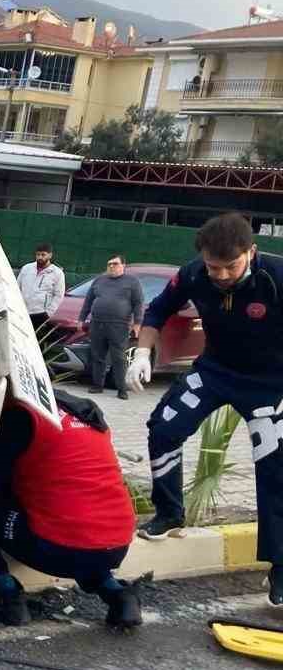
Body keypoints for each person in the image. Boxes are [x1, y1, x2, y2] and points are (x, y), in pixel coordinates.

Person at [132, 212, 283, 606]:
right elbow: (157, 311)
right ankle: (169, 513)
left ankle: (280, 569)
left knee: (274, 468)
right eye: (213, 266)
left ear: (250, 252)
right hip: (215, 371)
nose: (219, 275)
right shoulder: (194, 274)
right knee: (163, 428)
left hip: (270, 384)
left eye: (229, 266)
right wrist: (142, 353)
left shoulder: (276, 278)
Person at [0, 390, 142, 629]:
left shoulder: (23, 415)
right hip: (115, 545)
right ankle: (117, 594)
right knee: (76, 519)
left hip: (59, 548)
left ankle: (6, 595)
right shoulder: (85, 413)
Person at [79, 254, 144, 399]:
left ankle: (122, 389)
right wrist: (81, 319)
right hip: (97, 323)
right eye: (109, 264)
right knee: (98, 355)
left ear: (123, 265)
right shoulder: (99, 280)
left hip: (119, 325)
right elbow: (88, 301)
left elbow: (138, 303)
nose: (111, 266)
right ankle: (97, 385)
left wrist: (137, 323)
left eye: (115, 264)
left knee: (119, 357)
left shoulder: (132, 282)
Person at [16, 243, 66, 337]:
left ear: (50, 255)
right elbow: (17, 287)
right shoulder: (27, 268)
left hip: (40, 314)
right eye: (38, 255)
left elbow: (58, 295)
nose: (40, 257)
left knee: (37, 341)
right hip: (23, 312)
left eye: (43, 255)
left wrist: (48, 313)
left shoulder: (57, 273)